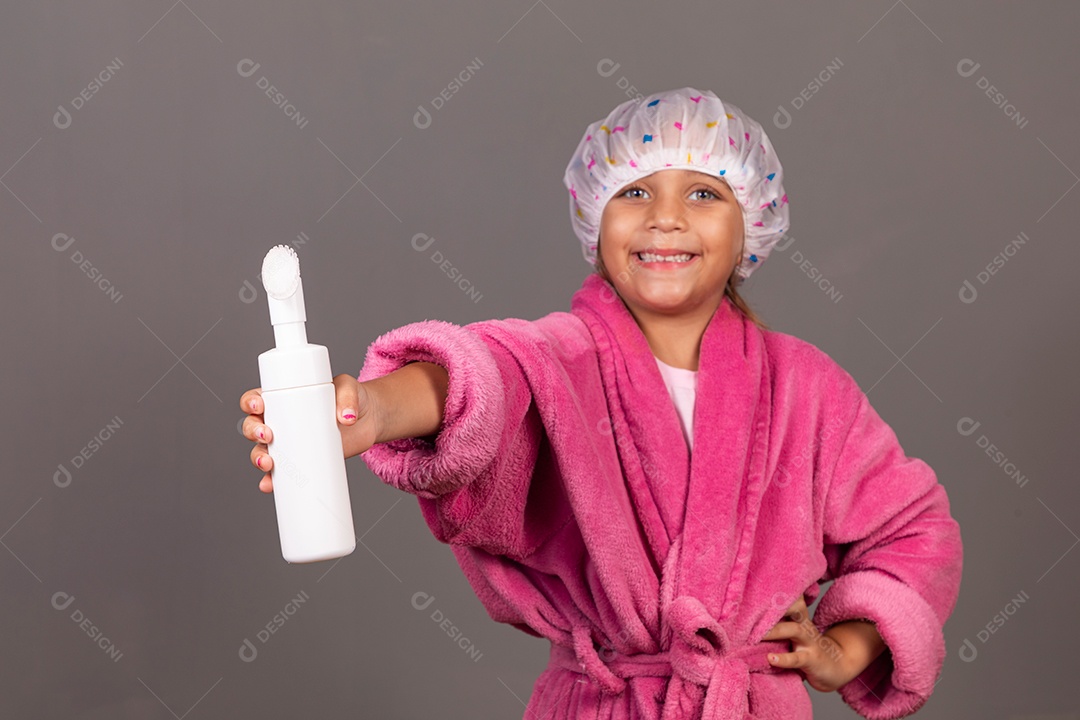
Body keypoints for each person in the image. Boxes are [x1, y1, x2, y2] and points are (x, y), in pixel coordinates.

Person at [240, 87, 963, 719]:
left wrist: (843, 650)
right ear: (596, 220)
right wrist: (372, 410)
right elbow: (484, 377)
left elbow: (914, 530)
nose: (665, 218)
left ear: (752, 223)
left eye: (704, 194)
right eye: (635, 193)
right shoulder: (562, 358)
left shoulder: (805, 387)